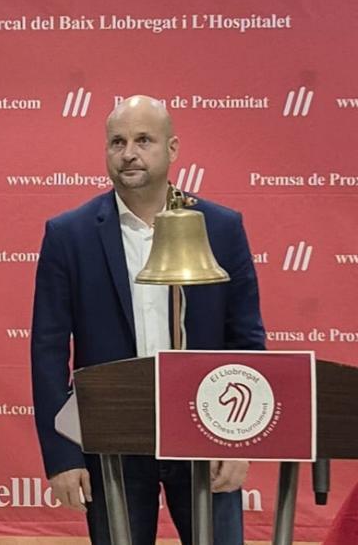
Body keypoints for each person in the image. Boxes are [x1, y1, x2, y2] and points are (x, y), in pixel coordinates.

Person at [31, 95, 266, 544]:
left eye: (143, 140)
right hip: (111, 442)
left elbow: (247, 341)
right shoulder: (69, 234)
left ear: (172, 149)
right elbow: (47, 350)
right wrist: (63, 455)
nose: (129, 153)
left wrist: (241, 440)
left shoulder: (220, 226)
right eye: (117, 142)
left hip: (208, 433)